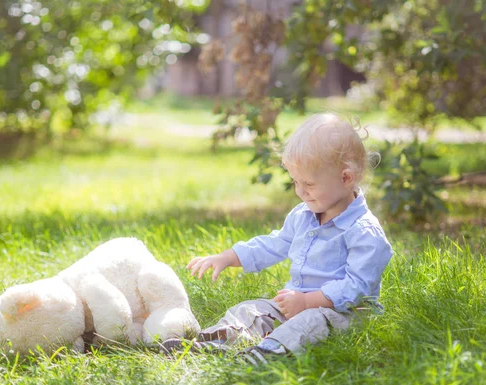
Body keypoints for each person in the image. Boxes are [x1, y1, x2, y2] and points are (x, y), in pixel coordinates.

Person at [161, 113, 393, 365]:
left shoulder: (363, 231)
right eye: (295, 182)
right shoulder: (304, 215)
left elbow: (357, 287)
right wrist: (228, 257)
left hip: (342, 314)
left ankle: (264, 354)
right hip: (296, 303)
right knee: (251, 309)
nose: (300, 191)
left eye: (309, 184)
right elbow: (274, 244)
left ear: (346, 178)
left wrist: (307, 301)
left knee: (310, 322)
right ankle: (212, 342)